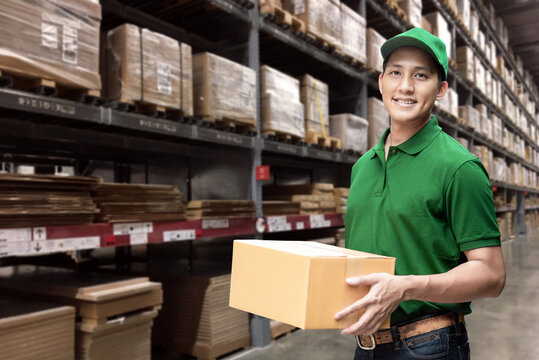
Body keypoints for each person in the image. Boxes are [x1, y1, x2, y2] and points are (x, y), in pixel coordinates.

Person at [334, 28, 506, 359]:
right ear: (381, 81)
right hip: (366, 344)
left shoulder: (459, 167)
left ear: (440, 89)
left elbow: (492, 275)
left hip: (429, 345)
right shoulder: (363, 167)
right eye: (396, 73)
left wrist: (406, 287)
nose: (406, 86)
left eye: (421, 76)